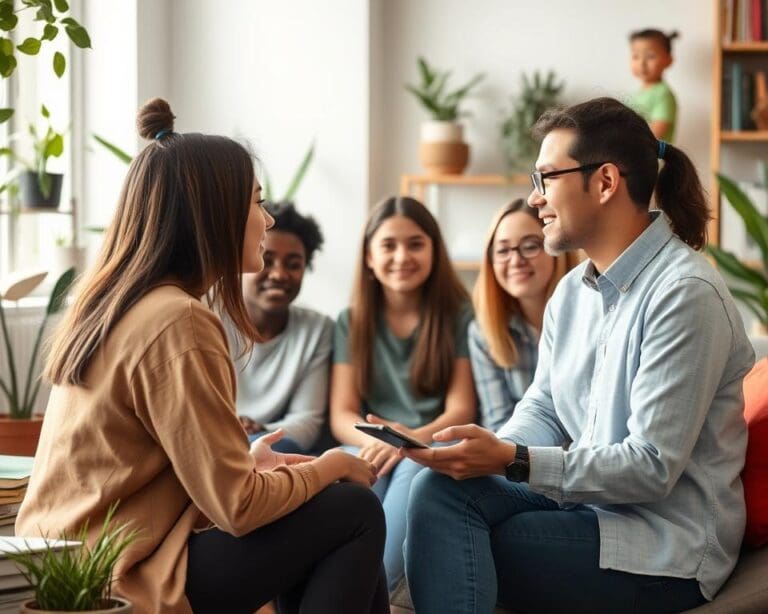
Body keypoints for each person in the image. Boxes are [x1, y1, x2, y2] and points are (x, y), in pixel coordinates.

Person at [15, 98, 389, 614]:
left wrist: (253, 467)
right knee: (353, 508)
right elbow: (238, 507)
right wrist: (330, 465)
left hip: (65, 566)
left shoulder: (117, 305)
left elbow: (168, 478)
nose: (268, 217)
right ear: (215, 214)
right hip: (118, 579)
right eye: (256, 203)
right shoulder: (179, 320)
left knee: (329, 514)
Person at [402, 97, 754, 614]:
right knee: (437, 490)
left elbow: (651, 467)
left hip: (662, 547)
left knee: (486, 545)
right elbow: (544, 406)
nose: (534, 198)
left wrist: (513, 461)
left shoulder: (685, 293)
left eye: (546, 178)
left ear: (606, 181)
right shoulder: (571, 292)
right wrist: (486, 450)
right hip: (590, 508)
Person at [330, 195, 476, 591]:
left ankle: (366, 595)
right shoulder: (350, 321)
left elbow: (461, 408)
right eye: (388, 245)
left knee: (413, 468)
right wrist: (384, 442)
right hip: (372, 444)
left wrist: (406, 442)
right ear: (369, 258)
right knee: (340, 465)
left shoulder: (461, 315)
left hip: (430, 444)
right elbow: (342, 414)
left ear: (434, 250)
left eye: (415, 243)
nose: (402, 256)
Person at [227, 201, 333, 454]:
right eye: (267, 260)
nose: (279, 274)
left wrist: (260, 431)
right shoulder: (206, 315)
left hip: (276, 447)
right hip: (215, 445)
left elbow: (307, 420)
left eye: (293, 264)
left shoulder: (317, 329)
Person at [470, 198, 578, 432]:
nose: (516, 260)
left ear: (556, 250)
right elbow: (498, 424)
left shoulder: (589, 316)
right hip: (513, 457)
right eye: (502, 250)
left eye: (530, 246)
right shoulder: (483, 332)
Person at [627, 28, 679, 142]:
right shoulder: (638, 94)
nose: (642, 63)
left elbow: (653, 135)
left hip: (653, 158)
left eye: (650, 56)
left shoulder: (663, 94)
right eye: (636, 56)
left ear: (668, 60)